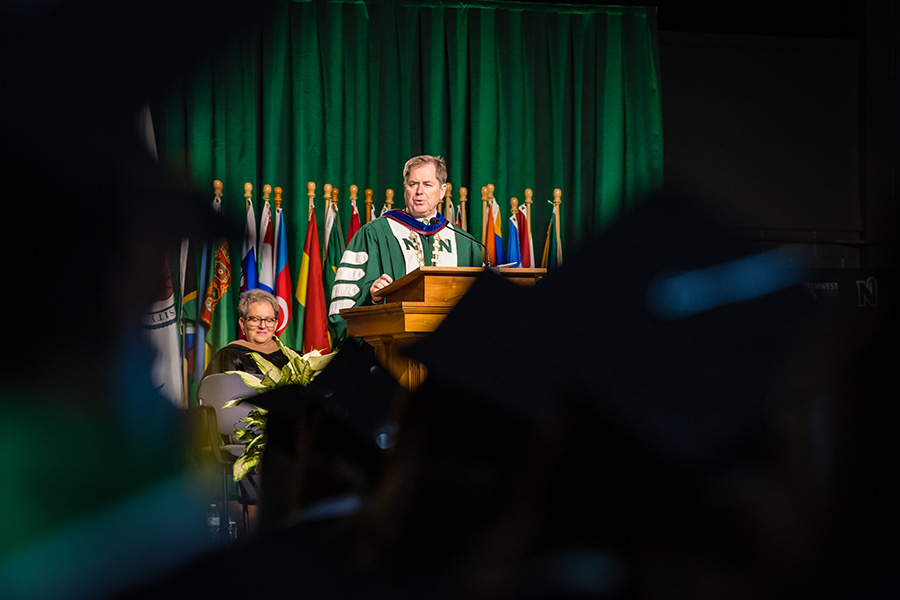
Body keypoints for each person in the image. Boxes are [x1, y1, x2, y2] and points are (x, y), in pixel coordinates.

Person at [327, 155, 484, 343]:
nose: (419, 191)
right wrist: (374, 297)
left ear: (442, 191)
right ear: (405, 189)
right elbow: (342, 311)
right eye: (413, 184)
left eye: (427, 184)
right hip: (390, 351)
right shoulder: (374, 234)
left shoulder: (464, 243)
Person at [203, 289, 291, 378]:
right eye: (255, 319)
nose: (263, 326)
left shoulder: (293, 358)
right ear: (242, 323)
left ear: (275, 325)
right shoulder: (228, 356)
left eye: (269, 320)